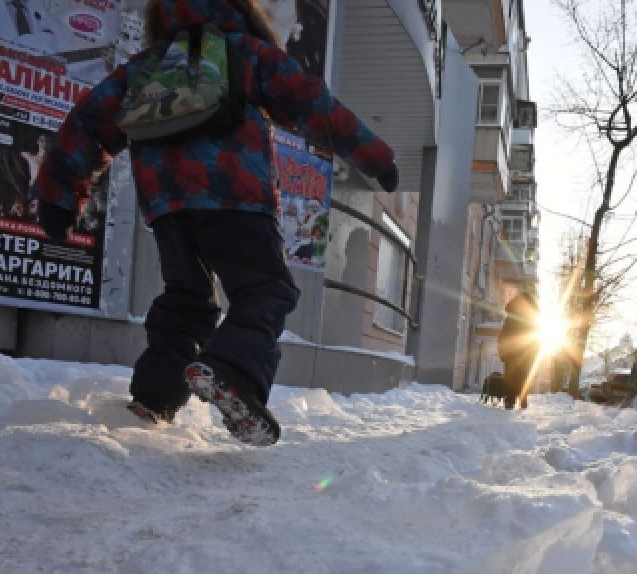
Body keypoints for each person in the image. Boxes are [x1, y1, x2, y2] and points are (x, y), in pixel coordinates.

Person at [32, 0, 399, 445]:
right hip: (234, 194)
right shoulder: (240, 52)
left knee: (187, 301)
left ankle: (153, 398)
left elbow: (88, 124)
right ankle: (234, 373)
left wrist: (58, 195)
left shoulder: (146, 67)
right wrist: (374, 156)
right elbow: (311, 104)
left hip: (167, 206)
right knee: (265, 289)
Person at [497, 292, 540, 410]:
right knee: (524, 376)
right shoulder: (532, 319)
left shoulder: (510, 319)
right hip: (527, 354)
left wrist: (503, 353)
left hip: (512, 353)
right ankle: (522, 399)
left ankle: (510, 401)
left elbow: (503, 337)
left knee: (511, 377)